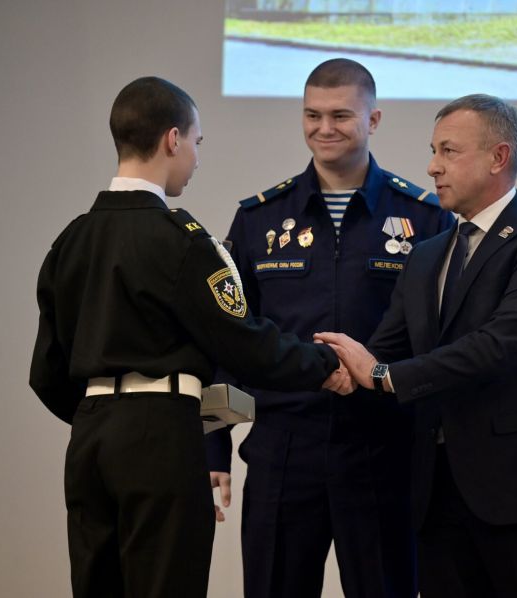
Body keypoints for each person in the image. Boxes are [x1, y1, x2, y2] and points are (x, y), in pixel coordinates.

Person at [29, 76, 351, 598]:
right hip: (160, 435)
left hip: (89, 438)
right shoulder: (182, 241)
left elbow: (45, 371)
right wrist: (325, 363)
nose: (197, 159)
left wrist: (102, 413)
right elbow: (244, 344)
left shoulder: (70, 240)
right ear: (172, 139)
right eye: (197, 143)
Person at [316, 94, 517, 597]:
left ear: (498, 157)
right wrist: (322, 364)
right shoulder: (425, 256)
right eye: (433, 151)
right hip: (436, 494)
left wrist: (382, 377)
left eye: (448, 151)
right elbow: (383, 350)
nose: (432, 167)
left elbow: (496, 346)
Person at [206, 59, 454, 598]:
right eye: (312, 115)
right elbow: (229, 338)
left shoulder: (426, 217)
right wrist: (214, 446)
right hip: (283, 446)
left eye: (341, 115)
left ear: (374, 119)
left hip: (384, 445)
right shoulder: (259, 219)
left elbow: (444, 338)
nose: (324, 128)